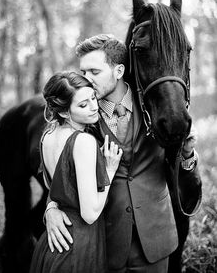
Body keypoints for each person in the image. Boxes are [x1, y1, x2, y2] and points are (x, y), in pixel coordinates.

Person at [45, 35, 201, 272]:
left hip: (156, 240)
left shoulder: (155, 106)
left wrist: (188, 155)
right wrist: (51, 208)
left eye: (94, 72)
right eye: (83, 72)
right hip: (104, 244)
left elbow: (179, 170)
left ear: (118, 71)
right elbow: (61, 169)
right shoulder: (81, 117)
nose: (85, 81)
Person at [30, 71, 123, 273]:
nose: (94, 107)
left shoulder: (47, 135)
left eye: (93, 98)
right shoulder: (83, 141)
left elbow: (52, 187)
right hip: (78, 243)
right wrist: (110, 170)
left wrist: (51, 208)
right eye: (83, 105)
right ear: (64, 112)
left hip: (53, 243)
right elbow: (89, 214)